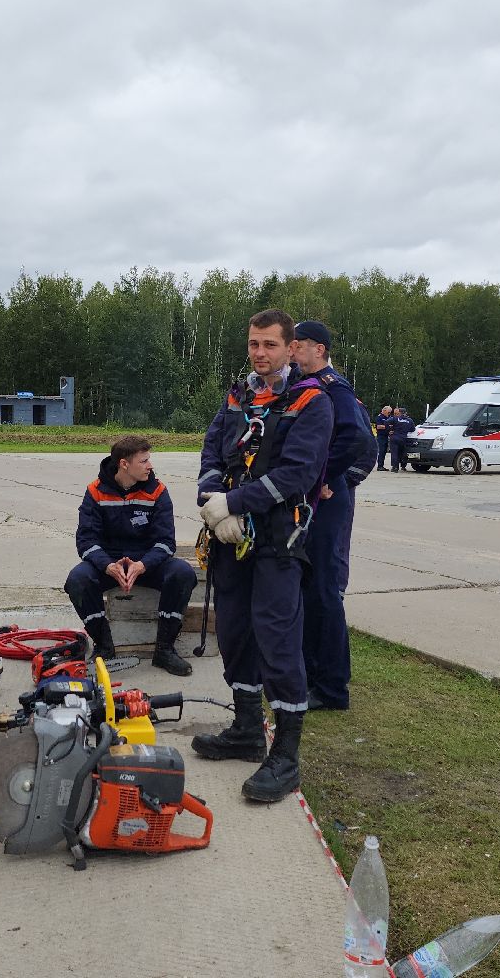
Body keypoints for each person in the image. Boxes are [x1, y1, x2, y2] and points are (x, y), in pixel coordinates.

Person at [192, 309, 334, 803]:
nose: (260, 353)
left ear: (290, 348)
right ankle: (247, 729)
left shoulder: (312, 402)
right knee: (235, 632)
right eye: (254, 344)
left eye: (270, 345)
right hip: (231, 541)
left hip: (278, 543)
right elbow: (212, 452)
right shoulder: (238, 397)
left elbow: (298, 473)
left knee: (277, 638)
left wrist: (236, 503)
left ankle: (286, 756)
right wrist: (213, 506)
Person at [64, 436, 197, 676]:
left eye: (149, 460)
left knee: (183, 573)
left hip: (147, 562)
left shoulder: (157, 491)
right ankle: (104, 647)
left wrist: (143, 565)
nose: (150, 466)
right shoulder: (95, 491)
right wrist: (108, 565)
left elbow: (166, 542)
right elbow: (86, 541)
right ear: (124, 464)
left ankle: (165, 650)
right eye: (144, 461)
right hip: (109, 562)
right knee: (78, 580)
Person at [291, 320, 371, 712]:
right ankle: (310, 676)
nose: (293, 351)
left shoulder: (334, 386)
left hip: (327, 498)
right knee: (309, 588)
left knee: (324, 592)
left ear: (319, 349)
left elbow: (358, 439)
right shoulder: (304, 385)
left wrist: (327, 476)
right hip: (314, 498)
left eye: (299, 345)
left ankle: (333, 688)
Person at [389, 405, 415, 471]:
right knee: (402, 453)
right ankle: (403, 466)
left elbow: (386, 422)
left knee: (394, 453)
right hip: (403, 438)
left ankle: (395, 467)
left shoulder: (395, 418)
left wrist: (389, 430)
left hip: (395, 437)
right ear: (405, 412)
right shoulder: (410, 420)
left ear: (400, 412)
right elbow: (413, 429)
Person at [374, 404, 394, 471]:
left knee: (385, 451)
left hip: (386, 436)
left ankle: (381, 465)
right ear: (384, 410)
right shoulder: (379, 417)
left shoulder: (388, 417)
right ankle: (379, 466)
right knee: (381, 451)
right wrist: (388, 426)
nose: (389, 413)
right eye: (388, 412)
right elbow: (378, 426)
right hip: (381, 436)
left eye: (390, 412)